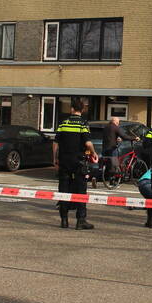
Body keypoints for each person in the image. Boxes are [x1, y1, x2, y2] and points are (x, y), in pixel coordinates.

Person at [54, 99, 98, 230]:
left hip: (64, 161)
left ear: (71, 109)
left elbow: (55, 143)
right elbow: (88, 143)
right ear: (83, 110)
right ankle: (81, 220)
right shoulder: (83, 124)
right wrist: (94, 153)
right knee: (81, 190)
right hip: (78, 162)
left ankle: (64, 220)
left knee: (63, 190)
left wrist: (55, 159)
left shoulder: (63, 123)